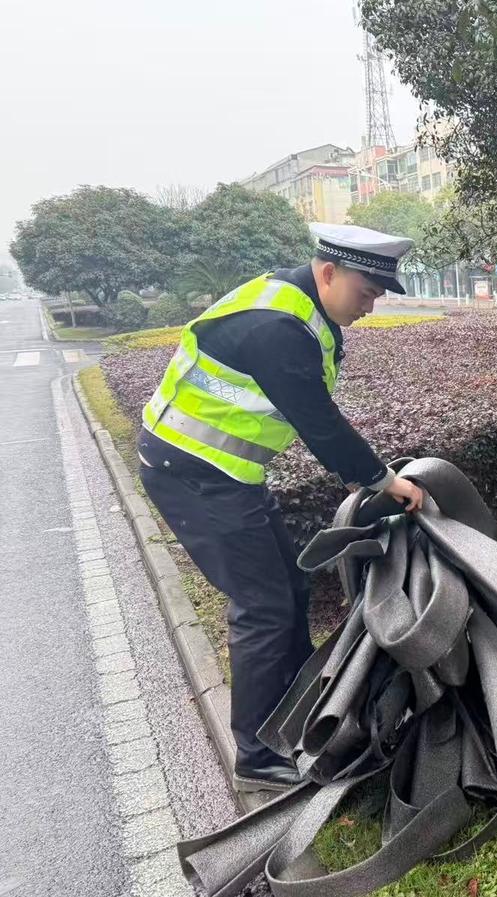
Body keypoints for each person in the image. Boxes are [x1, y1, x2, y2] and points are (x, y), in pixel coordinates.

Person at [137, 224, 425, 792]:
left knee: (289, 588)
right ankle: (256, 754)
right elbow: (318, 422)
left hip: (228, 475)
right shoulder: (277, 327)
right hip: (191, 474)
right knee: (263, 606)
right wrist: (382, 480)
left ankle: (295, 706)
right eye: (366, 293)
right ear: (328, 273)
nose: (370, 307)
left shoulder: (302, 307)